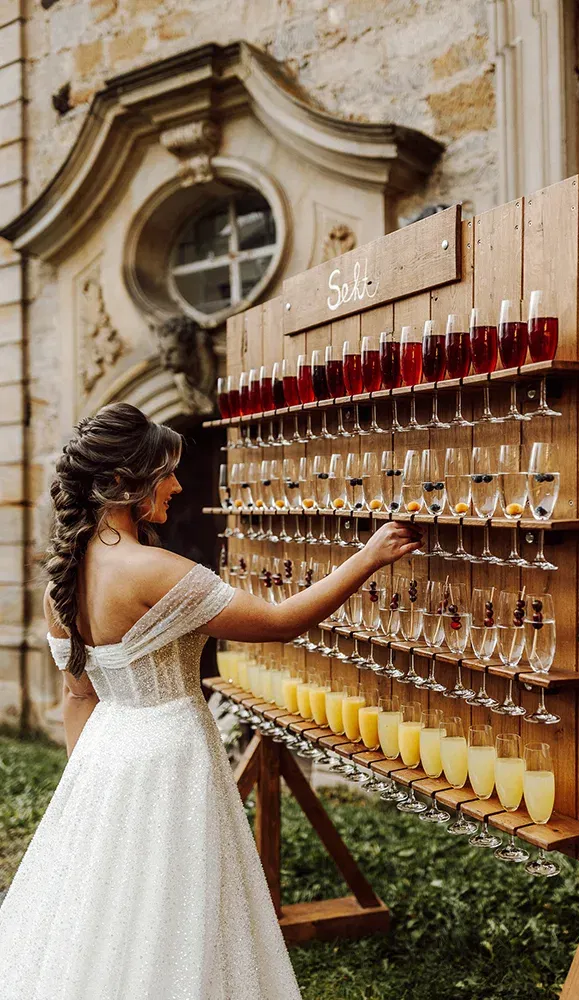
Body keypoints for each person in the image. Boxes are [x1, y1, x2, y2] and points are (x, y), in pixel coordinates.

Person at [0, 402, 422, 999]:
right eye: (165, 472)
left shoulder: (60, 583)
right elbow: (278, 621)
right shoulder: (153, 570)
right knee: (179, 911)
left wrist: (91, 793)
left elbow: (78, 696)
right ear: (123, 483)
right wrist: (370, 556)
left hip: (104, 758)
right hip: (171, 757)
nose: (177, 484)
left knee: (113, 912)